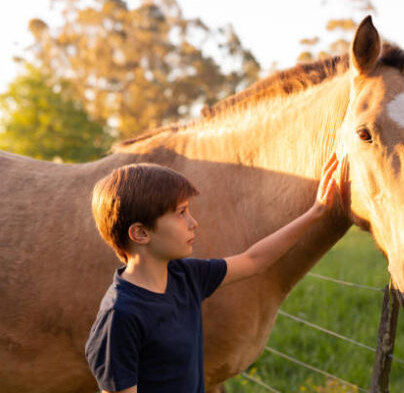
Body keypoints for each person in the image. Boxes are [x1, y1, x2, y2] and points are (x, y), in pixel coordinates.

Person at [85, 154, 340, 393]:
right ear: (141, 233)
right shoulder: (120, 317)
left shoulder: (185, 277)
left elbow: (254, 260)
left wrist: (316, 212)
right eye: (181, 213)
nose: (193, 222)